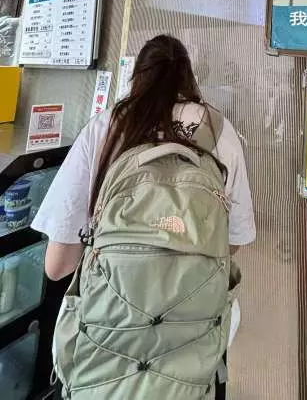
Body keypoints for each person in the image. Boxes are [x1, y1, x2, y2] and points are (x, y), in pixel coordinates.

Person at [32, 35, 255, 399]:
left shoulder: (105, 128)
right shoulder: (219, 130)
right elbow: (231, 243)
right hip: (192, 348)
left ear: (136, 77)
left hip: (104, 348)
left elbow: (58, 266)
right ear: (190, 78)